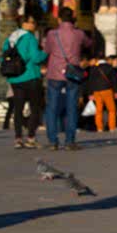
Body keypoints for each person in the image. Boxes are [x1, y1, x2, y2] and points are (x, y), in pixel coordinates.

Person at [41, 9, 89, 151]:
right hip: (72, 73)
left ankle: (53, 141)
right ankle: (69, 141)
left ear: (59, 19)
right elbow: (88, 43)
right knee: (71, 107)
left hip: (55, 73)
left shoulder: (52, 34)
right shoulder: (79, 34)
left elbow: (47, 50)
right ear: (73, 19)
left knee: (52, 107)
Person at [2, 15, 48, 149]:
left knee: (18, 108)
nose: (34, 25)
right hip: (30, 76)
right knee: (35, 108)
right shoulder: (29, 37)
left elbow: (4, 57)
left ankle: (18, 138)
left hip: (15, 78)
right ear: (25, 24)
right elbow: (35, 58)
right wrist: (45, 53)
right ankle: (31, 138)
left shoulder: (10, 38)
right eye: (33, 22)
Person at [85, 55, 117, 133]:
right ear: (105, 59)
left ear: (97, 59)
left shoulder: (93, 68)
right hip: (107, 90)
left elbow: (90, 82)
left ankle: (99, 128)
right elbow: (114, 81)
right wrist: (116, 91)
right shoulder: (109, 67)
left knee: (98, 110)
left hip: (96, 91)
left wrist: (90, 93)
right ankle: (112, 127)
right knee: (111, 109)